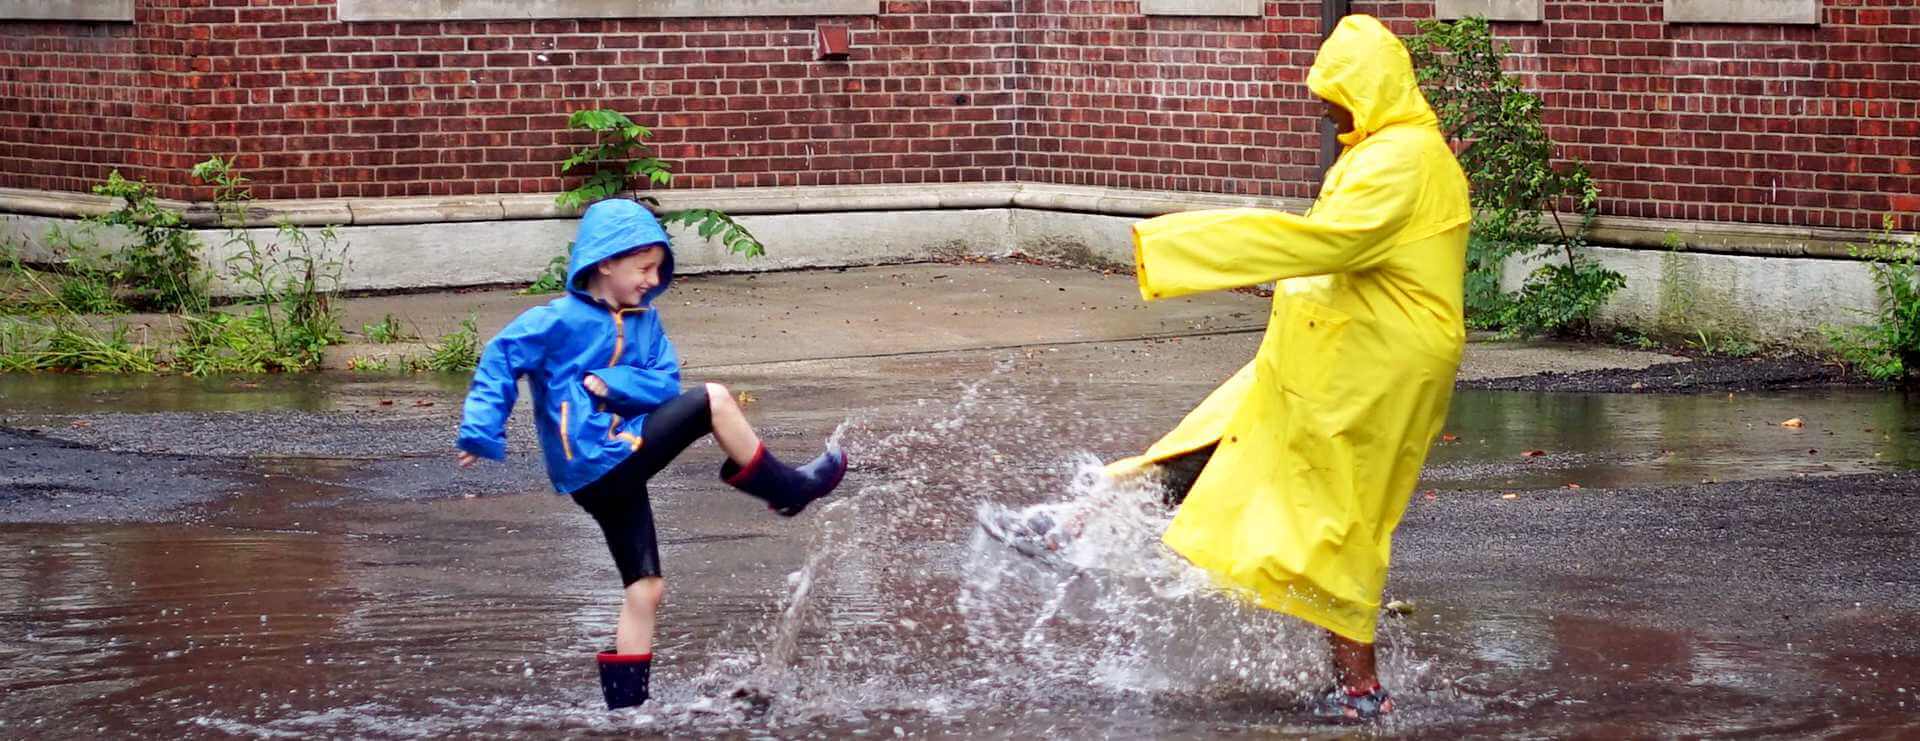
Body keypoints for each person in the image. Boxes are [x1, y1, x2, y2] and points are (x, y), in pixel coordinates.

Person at [988, 14, 1470, 721]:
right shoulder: (1389, 150)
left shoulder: (1402, 159)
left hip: (1368, 371)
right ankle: (1072, 526)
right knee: (1206, 446)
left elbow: (1326, 243)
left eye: (1334, 94)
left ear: (1365, 89)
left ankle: (1360, 685)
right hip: (1327, 355)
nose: (1325, 108)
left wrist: (1181, 247)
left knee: (1341, 517)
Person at [454, 199, 848, 710]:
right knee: (714, 400)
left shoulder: (646, 322)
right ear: (604, 262)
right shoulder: (556, 321)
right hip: (594, 463)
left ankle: (626, 713)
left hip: (620, 461)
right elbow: (499, 359)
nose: (652, 278)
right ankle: (786, 489)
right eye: (643, 268)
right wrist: (480, 432)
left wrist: (614, 383)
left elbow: (663, 383)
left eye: (658, 268)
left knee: (645, 587)